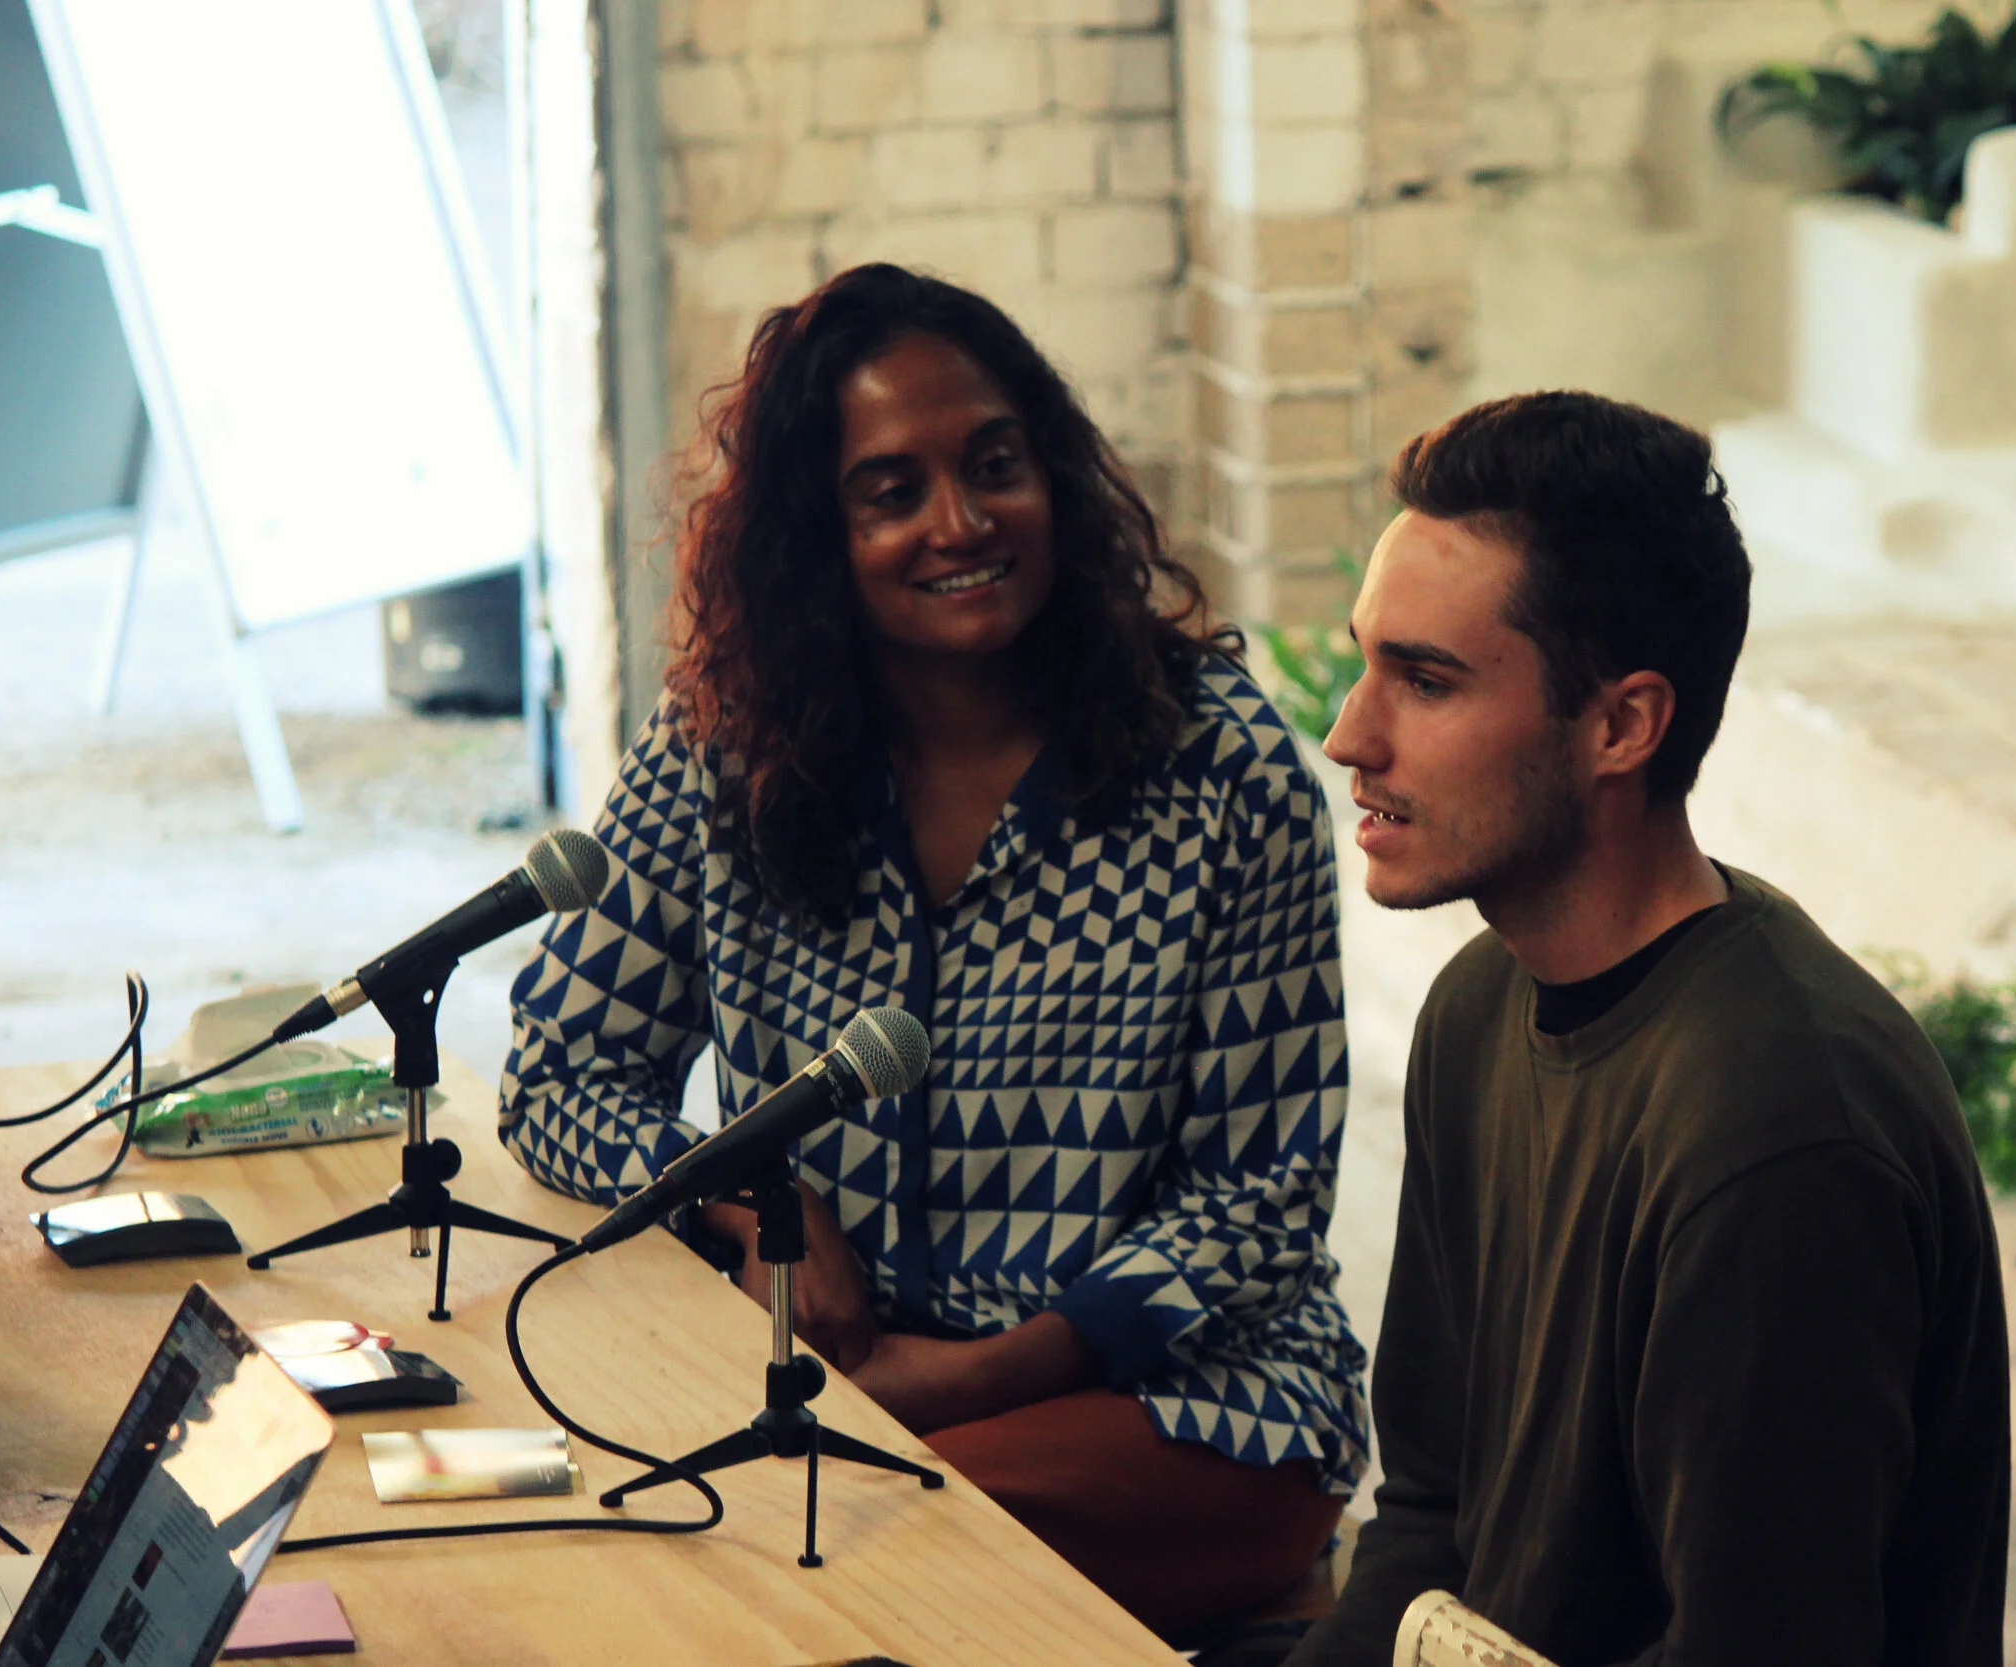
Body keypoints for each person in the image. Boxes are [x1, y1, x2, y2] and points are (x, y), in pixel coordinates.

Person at [498, 264, 1368, 1644]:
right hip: (828, 1382)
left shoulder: (1220, 765)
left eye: (994, 466)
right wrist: (751, 1192)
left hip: (1179, 1402)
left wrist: (945, 1380)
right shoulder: (727, 750)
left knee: (798, 1538)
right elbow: (559, 1067)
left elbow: (1258, 1200)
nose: (960, 522)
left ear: (1057, 478)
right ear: (814, 534)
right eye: (890, 490)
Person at [1287, 393, 2010, 1667]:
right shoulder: (1476, 1010)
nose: (1350, 734)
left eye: (1426, 679)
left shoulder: (1776, 1139)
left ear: (1622, 724)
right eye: (1365, 660)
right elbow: (1428, 1513)